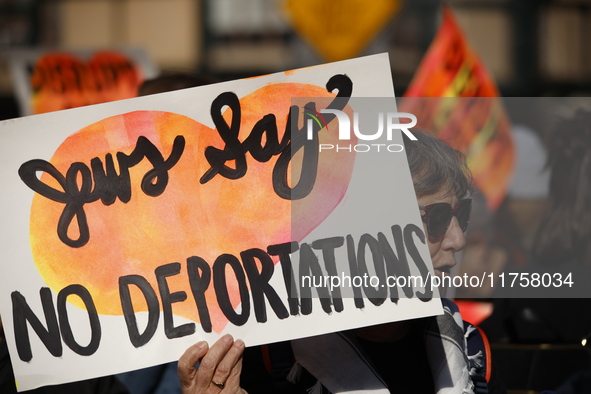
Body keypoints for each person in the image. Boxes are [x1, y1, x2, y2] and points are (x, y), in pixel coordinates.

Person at [177, 130, 506, 393]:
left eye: (460, 214)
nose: (458, 240)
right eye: (434, 218)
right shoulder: (261, 354)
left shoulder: (468, 346)